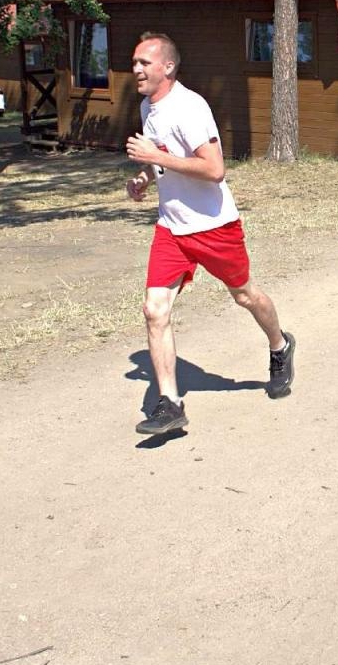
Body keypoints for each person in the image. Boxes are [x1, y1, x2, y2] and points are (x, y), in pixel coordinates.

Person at [124, 31, 295, 435]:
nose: (135, 70)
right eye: (134, 63)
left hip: (214, 227)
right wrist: (145, 177)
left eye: (143, 64)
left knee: (244, 296)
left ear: (167, 66)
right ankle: (170, 404)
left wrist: (156, 157)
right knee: (154, 310)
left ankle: (280, 345)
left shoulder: (190, 107)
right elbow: (164, 161)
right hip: (172, 228)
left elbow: (215, 169)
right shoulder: (149, 106)